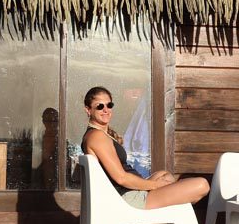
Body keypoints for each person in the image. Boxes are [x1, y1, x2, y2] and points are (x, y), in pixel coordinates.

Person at [81, 86, 209, 210]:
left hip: (129, 192)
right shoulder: (96, 136)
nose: (106, 110)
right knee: (202, 185)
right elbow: (121, 178)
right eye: (100, 106)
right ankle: (174, 212)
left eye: (109, 105)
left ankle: (173, 208)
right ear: (88, 110)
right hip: (128, 198)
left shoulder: (100, 134)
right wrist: (155, 185)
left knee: (163, 174)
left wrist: (153, 184)